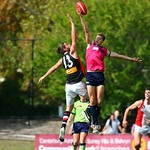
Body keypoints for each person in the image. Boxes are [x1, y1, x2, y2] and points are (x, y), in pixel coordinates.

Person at [76, 9, 142, 134]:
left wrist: (131, 59)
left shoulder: (103, 50)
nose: (97, 39)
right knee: (92, 100)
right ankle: (95, 122)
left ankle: (94, 120)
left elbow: (117, 55)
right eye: (96, 37)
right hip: (90, 74)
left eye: (99, 39)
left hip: (100, 75)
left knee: (99, 101)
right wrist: (81, 17)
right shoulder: (89, 45)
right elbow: (86, 30)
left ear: (102, 41)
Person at [38, 13, 88, 142]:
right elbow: (74, 38)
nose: (69, 44)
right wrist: (72, 22)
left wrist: (44, 76)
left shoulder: (62, 60)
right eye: (67, 44)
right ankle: (91, 118)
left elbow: (53, 68)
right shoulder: (72, 52)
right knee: (94, 100)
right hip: (78, 84)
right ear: (66, 48)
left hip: (68, 87)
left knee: (68, 108)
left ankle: (63, 126)